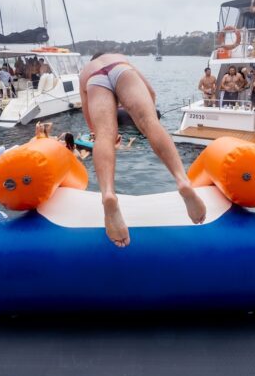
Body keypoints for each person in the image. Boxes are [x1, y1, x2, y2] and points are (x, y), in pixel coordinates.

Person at [79, 52, 206, 247]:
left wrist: (97, 132)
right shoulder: (118, 57)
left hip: (94, 80)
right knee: (151, 123)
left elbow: (87, 112)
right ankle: (182, 181)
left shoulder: (87, 70)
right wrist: (145, 121)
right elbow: (152, 92)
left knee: (103, 135)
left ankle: (108, 195)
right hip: (123, 71)